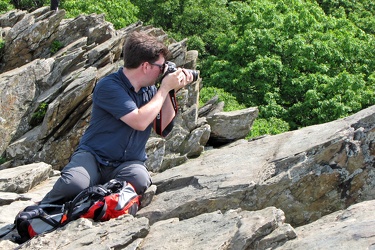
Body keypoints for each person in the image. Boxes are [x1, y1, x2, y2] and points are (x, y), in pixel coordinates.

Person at [40, 31, 194, 205]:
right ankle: (40, 210)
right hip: (94, 157)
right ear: (145, 66)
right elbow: (139, 121)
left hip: (128, 164)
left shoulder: (151, 91)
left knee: (140, 181)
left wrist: (170, 90)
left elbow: (162, 127)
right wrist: (164, 89)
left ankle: (96, 200)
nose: (162, 71)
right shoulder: (109, 86)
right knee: (73, 185)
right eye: (160, 66)